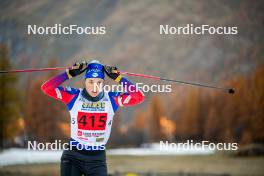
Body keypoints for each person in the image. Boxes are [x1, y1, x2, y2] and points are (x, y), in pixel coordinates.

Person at [41, 60, 144, 176]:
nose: (94, 87)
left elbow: (138, 96)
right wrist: (68, 74)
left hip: (97, 160)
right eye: (91, 81)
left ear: (103, 83)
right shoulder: (74, 96)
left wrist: (119, 78)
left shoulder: (111, 99)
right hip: (73, 156)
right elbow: (46, 88)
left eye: (99, 82)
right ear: (85, 81)